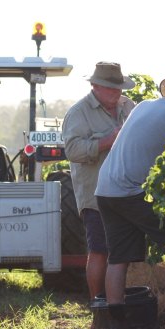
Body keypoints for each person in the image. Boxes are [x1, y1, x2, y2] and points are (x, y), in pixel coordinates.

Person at [94, 78, 165, 329]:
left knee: (118, 258)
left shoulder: (143, 106)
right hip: (130, 192)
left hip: (106, 189)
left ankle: (117, 328)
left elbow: (148, 150)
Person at [62, 61, 135, 314]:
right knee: (100, 249)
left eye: (119, 89)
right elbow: (72, 151)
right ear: (95, 86)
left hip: (125, 191)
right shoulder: (78, 113)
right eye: (111, 89)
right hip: (95, 194)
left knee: (121, 249)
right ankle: (98, 304)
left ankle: (115, 300)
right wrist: (109, 141)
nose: (116, 94)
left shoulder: (128, 107)